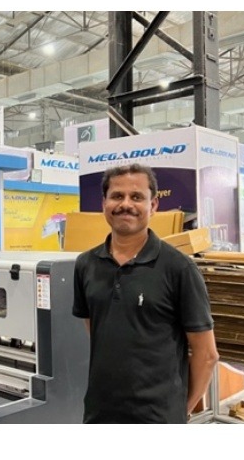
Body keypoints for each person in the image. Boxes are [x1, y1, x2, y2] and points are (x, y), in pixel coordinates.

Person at [72, 163, 219, 423]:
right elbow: (96, 330)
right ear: (104, 203)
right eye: (117, 196)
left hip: (158, 417)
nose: (125, 204)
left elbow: (207, 355)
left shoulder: (179, 268)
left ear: (153, 206)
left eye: (137, 197)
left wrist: (179, 410)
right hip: (100, 412)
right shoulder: (86, 265)